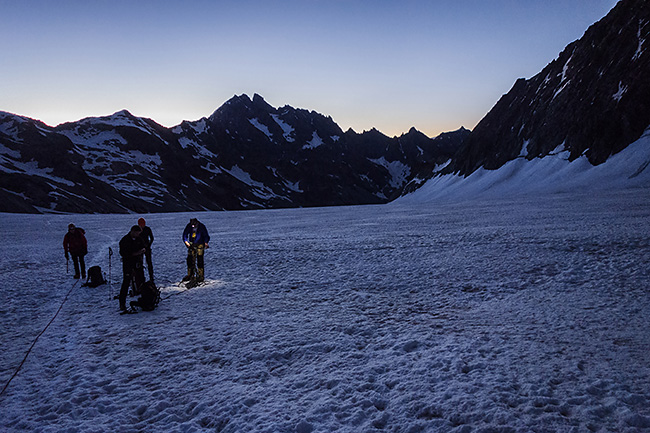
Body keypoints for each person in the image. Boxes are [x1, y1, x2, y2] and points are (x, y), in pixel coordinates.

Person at [118, 225, 146, 312]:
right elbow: (123, 253)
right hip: (128, 263)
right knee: (126, 282)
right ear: (132, 231)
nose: (138, 234)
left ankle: (145, 299)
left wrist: (142, 251)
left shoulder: (139, 239)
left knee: (141, 280)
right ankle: (122, 303)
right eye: (137, 233)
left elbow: (143, 246)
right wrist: (136, 253)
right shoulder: (125, 240)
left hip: (138, 262)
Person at [182, 218, 210, 284]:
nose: (193, 226)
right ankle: (190, 275)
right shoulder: (189, 226)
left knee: (200, 259)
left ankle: (201, 276)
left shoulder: (202, 226)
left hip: (200, 244)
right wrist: (186, 241)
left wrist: (206, 242)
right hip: (191, 244)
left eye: (194, 225)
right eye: (192, 225)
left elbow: (206, 235)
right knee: (190, 259)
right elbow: (184, 234)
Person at [138, 217, 155, 282]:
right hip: (140, 249)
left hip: (147, 248)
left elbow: (152, 238)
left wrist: (148, 245)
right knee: (140, 263)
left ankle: (151, 276)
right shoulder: (138, 230)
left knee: (149, 263)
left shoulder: (147, 229)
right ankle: (141, 277)